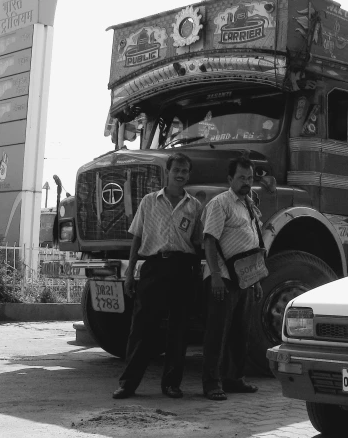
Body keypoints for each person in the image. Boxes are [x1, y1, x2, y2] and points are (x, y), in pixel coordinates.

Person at [112, 153, 203, 399]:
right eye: (177, 171)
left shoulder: (194, 206)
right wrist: (131, 272)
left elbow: (197, 242)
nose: (181, 175)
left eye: (185, 171)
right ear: (168, 172)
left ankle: (172, 384)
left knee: (179, 329)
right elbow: (137, 238)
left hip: (183, 269)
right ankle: (128, 384)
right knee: (142, 328)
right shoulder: (149, 202)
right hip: (154, 268)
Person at [201, 156, 264, 401]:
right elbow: (209, 241)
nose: (247, 182)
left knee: (241, 331)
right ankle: (211, 383)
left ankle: (234, 378)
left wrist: (256, 279)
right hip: (224, 277)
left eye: (250, 178)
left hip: (246, 278)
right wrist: (215, 276)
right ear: (230, 179)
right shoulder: (220, 203)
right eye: (241, 177)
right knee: (218, 332)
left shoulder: (249, 205)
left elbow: (253, 244)